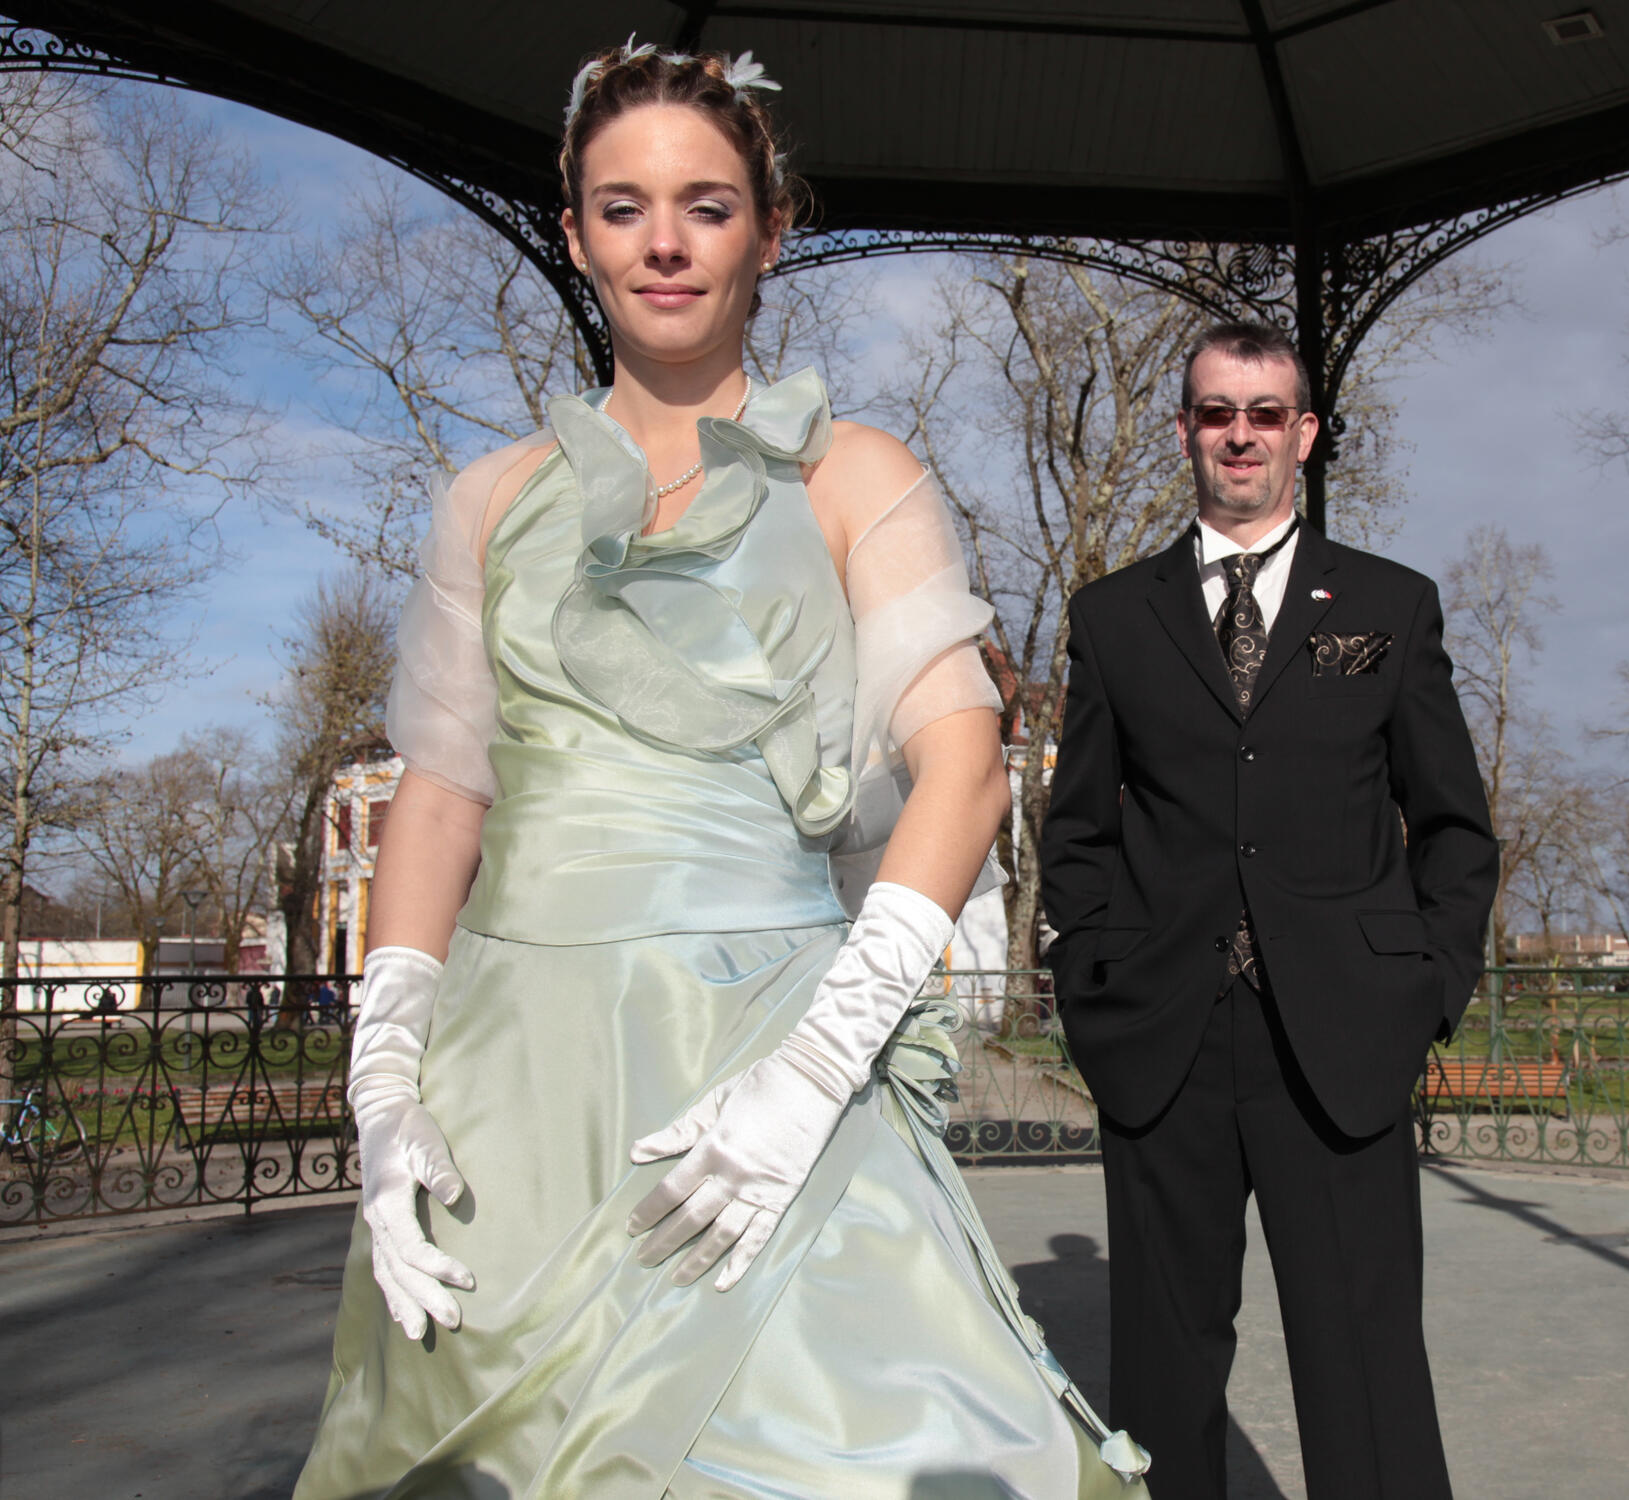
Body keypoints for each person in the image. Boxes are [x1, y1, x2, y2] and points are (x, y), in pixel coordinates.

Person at [294, 42, 1146, 1499]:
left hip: (770, 1062)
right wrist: (383, 1081)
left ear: (771, 229)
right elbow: (438, 795)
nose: (665, 243)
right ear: (574, 236)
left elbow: (964, 772)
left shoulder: (857, 476)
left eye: (706, 205)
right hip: (510, 1090)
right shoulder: (489, 501)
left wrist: (816, 1071)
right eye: (622, 208)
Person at [1041, 322, 1498, 1499]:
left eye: (1262, 414)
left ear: (1303, 434)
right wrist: (1091, 986)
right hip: (1163, 1036)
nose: (1237, 435)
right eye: (1214, 412)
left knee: (1364, 1364)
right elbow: (1076, 833)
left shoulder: (1389, 605)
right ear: (1183, 431)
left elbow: (1452, 826)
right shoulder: (1112, 617)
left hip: (1343, 1034)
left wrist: (1424, 991)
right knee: (1162, 1366)